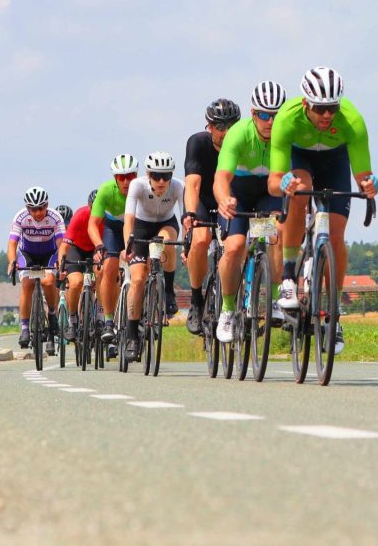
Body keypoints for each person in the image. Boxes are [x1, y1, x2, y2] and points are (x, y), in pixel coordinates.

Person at [268, 67, 378, 355]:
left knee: (337, 236)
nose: (327, 115)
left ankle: (334, 311)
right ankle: (290, 276)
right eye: (320, 109)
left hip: (335, 162)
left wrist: (369, 185)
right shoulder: (286, 119)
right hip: (300, 157)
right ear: (306, 104)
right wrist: (284, 183)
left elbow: (362, 175)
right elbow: (273, 182)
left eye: (332, 108)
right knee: (299, 192)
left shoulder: (352, 121)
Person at [213, 82, 287, 342]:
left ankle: (275, 298)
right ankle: (228, 310)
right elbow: (221, 176)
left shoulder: (286, 135)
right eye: (265, 115)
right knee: (234, 247)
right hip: (239, 196)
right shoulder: (238, 134)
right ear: (254, 114)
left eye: (277, 115)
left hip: (268, 196)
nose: (271, 121)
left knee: (277, 232)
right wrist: (224, 200)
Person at [182, 99, 240, 335]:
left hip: (229, 199)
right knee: (202, 239)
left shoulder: (241, 143)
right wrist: (190, 214)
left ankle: (237, 303)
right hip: (202, 200)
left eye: (231, 126)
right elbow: (192, 185)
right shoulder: (197, 143)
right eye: (220, 126)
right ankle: (196, 300)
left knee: (236, 244)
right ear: (210, 127)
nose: (226, 132)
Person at [122, 151, 184, 360]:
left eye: (166, 176)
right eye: (156, 175)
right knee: (138, 280)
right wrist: (128, 245)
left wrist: (187, 246)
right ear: (148, 174)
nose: (161, 181)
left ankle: (167, 293)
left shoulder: (177, 186)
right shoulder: (137, 185)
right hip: (141, 226)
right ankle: (131, 335)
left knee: (166, 242)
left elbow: (184, 216)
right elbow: (129, 218)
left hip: (166, 223)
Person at [6, 187, 65, 353]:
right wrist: (12, 261)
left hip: (49, 254)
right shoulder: (20, 218)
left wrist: (60, 261)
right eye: (34, 209)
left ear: (47, 205)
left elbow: (62, 245)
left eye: (41, 208)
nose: (38, 212)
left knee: (48, 281)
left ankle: (52, 314)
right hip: (28, 254)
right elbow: (12, 243)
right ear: (27, 208)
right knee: (27, 284)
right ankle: (25, 328)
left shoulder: (55, 217)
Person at [88, 154, 138, 343]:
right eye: (121, 177)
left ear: (137, 175)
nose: (126, 181)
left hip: (136, 226)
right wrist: (99, 245)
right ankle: (109, 321)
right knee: (109, 266)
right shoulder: (106, 191)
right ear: (115, 178)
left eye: (130, 176)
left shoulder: (142, 187)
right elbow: (93, 224)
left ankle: (147, 312)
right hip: (113, 229)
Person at [58, 190, 97, 340]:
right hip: (77, 249)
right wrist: (61, 264)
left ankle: (101, 318)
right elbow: (65, 245)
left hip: (96, 248)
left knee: (105, 275)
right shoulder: (80, 215)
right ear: (89, 206)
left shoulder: (109, 218)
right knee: (76, 283)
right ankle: (72, 319)